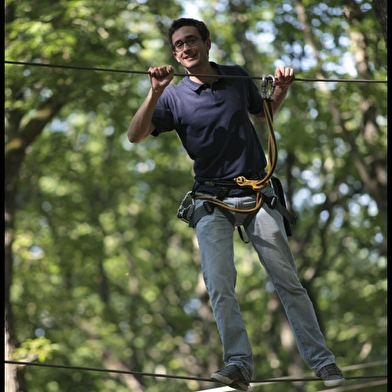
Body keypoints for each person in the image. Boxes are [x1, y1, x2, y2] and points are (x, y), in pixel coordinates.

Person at [127, 18, 345, 391]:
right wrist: (155, 92)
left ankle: (323, 363)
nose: (185, 49)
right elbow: (135, 135)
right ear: (174, 54)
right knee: (219, 284)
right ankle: (239, 364)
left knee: (287, 282)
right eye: (178, 45)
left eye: (191, 41)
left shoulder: (236, 77)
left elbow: (265, 114)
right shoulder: (174, 97)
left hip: (257, 193)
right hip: (210, 199)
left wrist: (281, 90)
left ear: (207, 44)